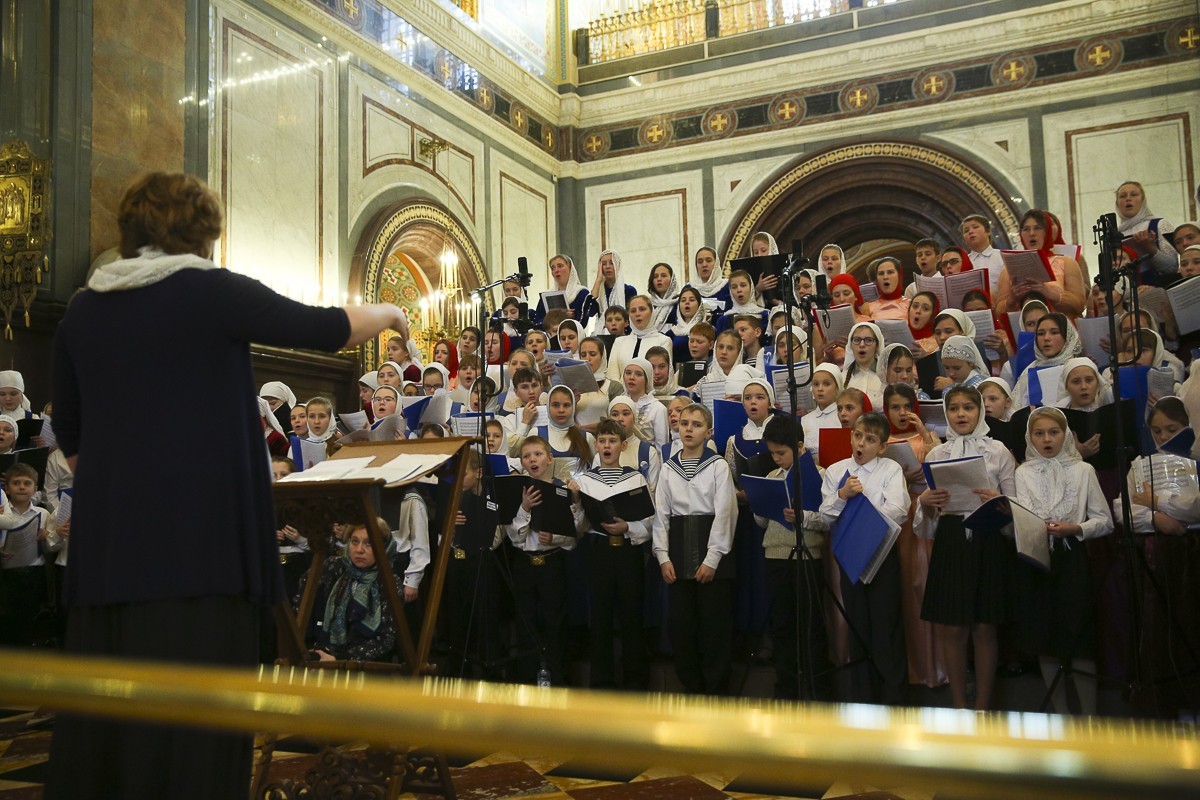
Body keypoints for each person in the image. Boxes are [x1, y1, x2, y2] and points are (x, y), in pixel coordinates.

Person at [46, 171, 409, 800]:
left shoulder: (82, 310)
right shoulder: (208, 291)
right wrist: (391, 312)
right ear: (200, 232)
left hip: (111, 556)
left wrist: (129, 496)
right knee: (197, 721)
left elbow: (72, 438)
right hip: (201, 551)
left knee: (110, 715)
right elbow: (323, 328)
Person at [915, 385, 1016, 710]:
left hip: (988, 538)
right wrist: (926, 502)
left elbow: (1017, 506)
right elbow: (929, 520)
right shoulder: (937, 454)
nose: (961, 414)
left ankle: (983, 706)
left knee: (984, 627)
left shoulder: (998, 451)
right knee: (953, 628)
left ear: (980, 411)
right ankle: (959, 706)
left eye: (968, 407)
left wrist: (1001, 502)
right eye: (954, 408)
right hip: (952, 538)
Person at [1011, 407, 1113, 715]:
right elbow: (1023, 517)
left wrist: (1075, 528)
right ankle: (1062, 714)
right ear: (1029, 437)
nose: (1046, 439)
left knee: (1080, 637)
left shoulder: (1083, 470)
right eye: (1039, 433)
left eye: (1053, 432)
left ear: (1066, 434)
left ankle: (1090, 716)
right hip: (1037, 559)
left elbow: (1105, 521)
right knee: (1044, 637)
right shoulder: (1023, 472)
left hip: (1071, 557)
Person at [818, 411, 910, 705]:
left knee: (886, 624)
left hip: (881, 553)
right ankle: (863, 699)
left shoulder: (890, 469)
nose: (861, 444)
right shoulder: (836, 471)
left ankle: (893, 699)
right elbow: (824, 517)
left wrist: (863, 513)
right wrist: (843, 495)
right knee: (858, 625)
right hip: (850, 555)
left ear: (882, 447)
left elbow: (899, 509)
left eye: (870, 440)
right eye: (858, 436)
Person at [652, 403, 737, 695]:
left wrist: (712, 558)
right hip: (678, 551)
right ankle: (691, 688)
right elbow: (661, 515)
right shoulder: (668, 468)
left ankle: (716, 691)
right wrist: (663, 556)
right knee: (682, 626)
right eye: (684, 423)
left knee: (714, 626)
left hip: (711, 550)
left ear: (709, 432)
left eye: (696, 425)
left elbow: (725, 512)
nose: (688, 429)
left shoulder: (718, 466)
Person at [755, 415, 831, 700]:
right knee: (782, 624)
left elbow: (827, 519)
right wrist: (762, 503)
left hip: (808, 555)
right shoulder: (772, 477)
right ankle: (786, 688)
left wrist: (803, 517)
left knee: (812, 624)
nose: (776, 459)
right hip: (776, 556)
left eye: (781, 453)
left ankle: (817, 688)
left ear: (799, 447)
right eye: (772, 453)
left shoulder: (819, 475)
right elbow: (761, 521)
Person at [576, 417, 653, 690]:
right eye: (602, 441)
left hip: (629, 551)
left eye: (612, 441)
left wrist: (627, 527)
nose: (607, 446)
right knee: (600, 616)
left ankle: (636, 678)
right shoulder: (585, 480)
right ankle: (601, 680)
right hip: (599, 551)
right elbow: (579, 527)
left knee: (632, 613)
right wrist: (575, 502)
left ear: (623, 445)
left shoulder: (636, 478)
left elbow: (649, 522)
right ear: (596, 445)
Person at [504, 436, 584, 684]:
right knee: (525, 621)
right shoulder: (517, 492)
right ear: (522, 462)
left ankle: (558, 676)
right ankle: (527, 677)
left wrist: (555, 537)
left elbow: (574, 536)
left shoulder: (561, 489)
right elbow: (515, 538)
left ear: (549, 459)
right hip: (524, 564)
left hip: (552, 563)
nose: (532, 459)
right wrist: (525, 508)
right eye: (527, 456)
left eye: (538, 454)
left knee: (555, 621)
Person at [294, 521, 400, 662]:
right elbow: (305, 585)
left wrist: (339, 660)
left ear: (384, 547)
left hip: (368, 665)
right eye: (355, 541)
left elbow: (385, 639)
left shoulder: (389, 581)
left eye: (368, 543)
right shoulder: (336, 566)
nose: (359, 550)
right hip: (325, 652)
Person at [1116, 180, 1179, 277]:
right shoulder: (1114, 235)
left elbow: (1172, 267)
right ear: (1117, 204)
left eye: (1134, 194)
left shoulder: (1160, 225)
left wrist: (1151, 249)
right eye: (1123, 196)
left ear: (1143, 201)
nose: (1128, 199)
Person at [960, 215, 1004, 295]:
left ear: (988, 231)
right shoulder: (962, 263)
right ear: (964, 240)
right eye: (966, 230)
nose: (970, 232)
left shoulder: (1003, 257)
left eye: (975, 227)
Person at [687, 246, 732, 314]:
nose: (704, 265)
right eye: (700, 262)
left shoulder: (728, 287)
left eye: (708, 261)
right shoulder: (689, 289)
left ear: (716, 264)